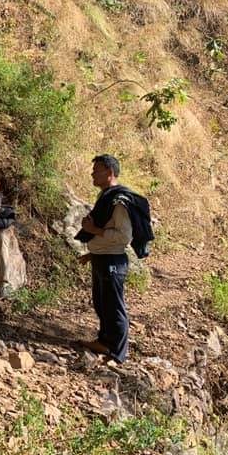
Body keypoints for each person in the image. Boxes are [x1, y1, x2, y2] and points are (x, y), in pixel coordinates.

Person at [74, 154, 153, 363]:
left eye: (96, 170)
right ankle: (105, 341)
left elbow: (123, 236)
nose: (92, 174)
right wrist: (92, 253)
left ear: (109, 173)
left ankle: (117, 352)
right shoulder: (107, 196)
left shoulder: (119, 202)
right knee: (102, 303)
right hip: (103, 258)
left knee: (113, 306)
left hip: (112, 262)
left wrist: (93, 230)